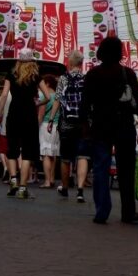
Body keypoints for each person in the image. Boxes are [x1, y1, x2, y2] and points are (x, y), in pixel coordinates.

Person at [80, 36, 138, 225]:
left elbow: (85, 104)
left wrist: (85, 127)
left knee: (100, 169)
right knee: (126, 170)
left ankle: (102, 211)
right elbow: (137, 101)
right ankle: (128, 212)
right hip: (124, 125)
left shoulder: (93, 74)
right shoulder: (127, 73)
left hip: (100, 127)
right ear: (119, 53)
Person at [0, 49, 43, 200]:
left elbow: (4, 94)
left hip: (13, 114)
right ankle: (23, 188)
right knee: (28, 152)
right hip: (29, 115)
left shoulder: (12, 74)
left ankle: (13, 181)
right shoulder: (35, 76)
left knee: (12, 149)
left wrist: (0, 113)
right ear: (32, 61)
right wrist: (38, 103)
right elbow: (48, 96)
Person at [55, 49, 89, 202]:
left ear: (70, 62)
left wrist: (51, 119)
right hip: (83, 123)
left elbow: (58, 99)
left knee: (65, 157)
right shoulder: (86, 79)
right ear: (81, 63)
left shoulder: (63, 79)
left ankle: (65, 188)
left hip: (66, 123)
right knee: (82, 156)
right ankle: (80, 190)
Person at [37, 74, 60, 188]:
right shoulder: (57, 96)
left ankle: (46, 181)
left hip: (46, 125)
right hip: (56, 126)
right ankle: (52, 178)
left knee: (45, 153)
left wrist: (37, 125)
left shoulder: (44, 96)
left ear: (47, 84)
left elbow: (41, 115)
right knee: (53, 153)